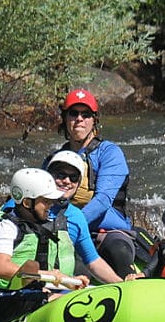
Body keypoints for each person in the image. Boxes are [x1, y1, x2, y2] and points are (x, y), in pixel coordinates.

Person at [0, 168, 92, 322]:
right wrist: (48, 274)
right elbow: (0, 267)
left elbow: (39, 277)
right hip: (6, 301)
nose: (51, 205)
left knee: (84, 294)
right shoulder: (6, 227)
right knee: (70, 301)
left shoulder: (42, 227)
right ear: (27, 202)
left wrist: (68, 281)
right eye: (46, 201)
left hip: (36, 295)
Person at [51, 87, 137, 277]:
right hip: (66, 230)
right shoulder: (55, 159)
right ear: (65, 119)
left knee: (119, 251)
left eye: (86, 114)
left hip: (107, 230)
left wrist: (69, 226)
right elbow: (37, 197)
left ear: (94, 120)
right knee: (72, 264)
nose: (79, 119)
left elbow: (103, 200)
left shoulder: (109, 153)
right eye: (74, 113)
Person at [44, 150, 123, 284]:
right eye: (61, 175)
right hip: (29, 289)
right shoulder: (26, 207)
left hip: (61, 289)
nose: (67, 181)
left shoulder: (76, 216)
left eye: (73, 177)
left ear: (79, 183)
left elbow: (93, 261)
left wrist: (123, 285)